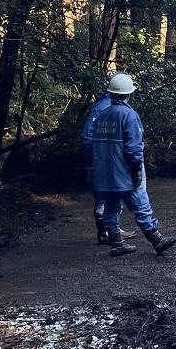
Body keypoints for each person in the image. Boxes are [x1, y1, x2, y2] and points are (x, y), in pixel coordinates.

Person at [91, 72, 176, 257]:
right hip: (123, 170)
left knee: (111, 206)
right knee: (140, 203)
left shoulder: (101, 115)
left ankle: (116, 244)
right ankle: (156, 240)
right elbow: (133, 148)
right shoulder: (129, 116)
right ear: (128, 93)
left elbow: (91, 143)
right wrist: (137, 169)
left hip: (104, 171)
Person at [80, 82, 131, 245]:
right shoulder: (102, 108)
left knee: (112, 194)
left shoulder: (109, 106)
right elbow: (87, 136)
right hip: (102, 159)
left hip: (109, 158)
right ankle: (105, 232)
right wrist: (92, 160)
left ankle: (112, 229)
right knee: (103, 197)